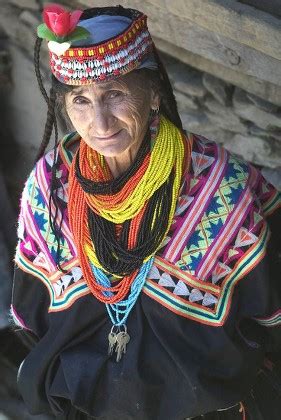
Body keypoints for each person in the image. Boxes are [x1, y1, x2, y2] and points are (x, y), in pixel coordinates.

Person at [11, 3, 281, 420]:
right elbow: (33, 315)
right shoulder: (51, 185)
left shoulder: (222, 186)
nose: (99, 122)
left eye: (115, 93)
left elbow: (267, 315)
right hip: (85, 404)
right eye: (81, 100)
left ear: (153, 93)